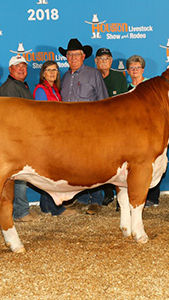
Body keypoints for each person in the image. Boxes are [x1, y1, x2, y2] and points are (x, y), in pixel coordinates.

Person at [59, 38, 108, 215]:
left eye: (76, 54)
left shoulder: (93, 74)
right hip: (69, 129)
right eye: (70, 55)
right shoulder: (64, 77)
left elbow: (103, 100)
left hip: (90, 127)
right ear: (66, 57)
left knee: (93, 164)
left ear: (83, 56)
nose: (73, 58)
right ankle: (79, 198)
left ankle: (96, 199)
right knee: (76, 164)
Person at [0, 54, 39, 222]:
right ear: (10, 69)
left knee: (21, 174)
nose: (21, 68)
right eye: (17, 66)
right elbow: (11, 116)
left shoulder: (21, 85)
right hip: (16, 139)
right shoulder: (9, 87)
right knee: (19, 175)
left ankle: (20, 210)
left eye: (24, 66)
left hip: (24, 137)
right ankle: (20, 212)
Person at [33, 61, 77, 217]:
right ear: (43, 73)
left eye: (55, 70)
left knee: (49, 172)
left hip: (57, 134)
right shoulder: (40, 90)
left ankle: (46, 206)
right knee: (51, 172)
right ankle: (55, 208)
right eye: (49, 70)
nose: (52, 73)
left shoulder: (55, 90)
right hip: (47, 135)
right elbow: (42, 115)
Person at [95, 47, 127, 206]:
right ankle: (107, 192)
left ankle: (120, 195)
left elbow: (123, 100)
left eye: (107, 59)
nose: (104, 61)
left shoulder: (119, 76)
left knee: (117, 160)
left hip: (116, 125)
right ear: (96, 61)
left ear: (111, 61)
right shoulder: (92, 75)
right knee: (101, 159)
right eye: (101, 59)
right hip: (97, 125)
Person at [126, 54, 160, 207]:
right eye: (132, 68)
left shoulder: (151, 87)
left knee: (151, 163)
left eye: (137, 67)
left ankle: (152, 197)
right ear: (127, 71)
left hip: (149, 130)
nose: (135, 70)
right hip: (131, 132)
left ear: (143, 69)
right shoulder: (126, 89)